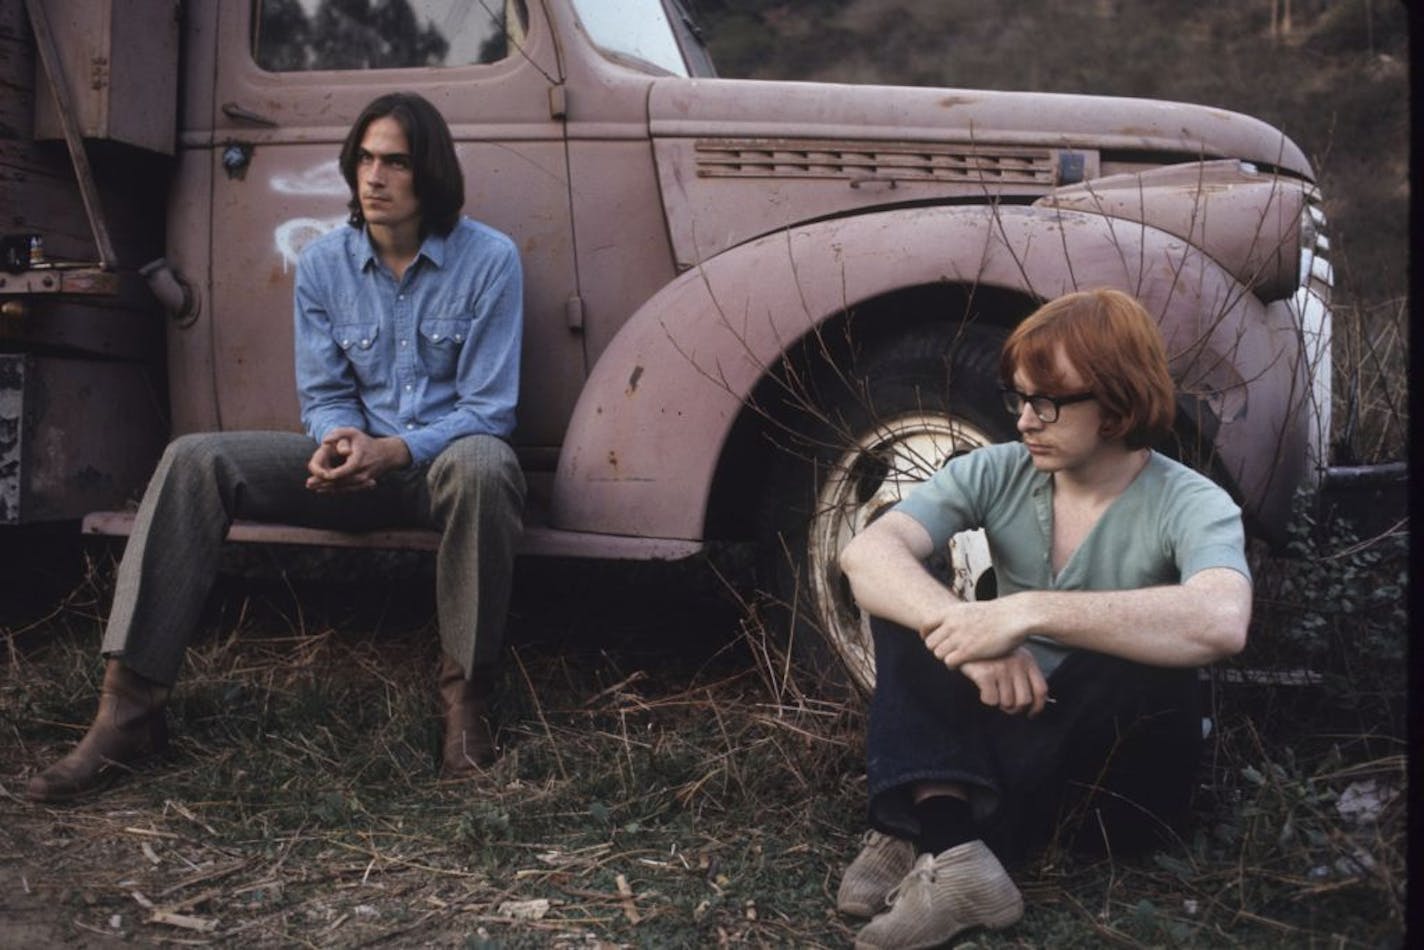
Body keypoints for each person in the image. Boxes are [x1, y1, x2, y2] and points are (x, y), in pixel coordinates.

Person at [27, 92, 526, 802]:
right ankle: (127, 714)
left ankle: (465, 711)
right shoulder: (324, 265)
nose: (373, 177)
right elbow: (322, 396)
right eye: (363, 159)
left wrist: (394, 451)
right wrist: (338, 441)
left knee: (485, 464)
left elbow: (489, 410)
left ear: (432, 175)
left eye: (395, 162)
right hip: (349, 468)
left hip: (434, 470)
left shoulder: (491, 260)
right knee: (195, 458)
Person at [834, 288, 1252, 948]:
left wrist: (1023, 613)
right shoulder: (1001, 471)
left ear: (1115, 406)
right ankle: (953, 845)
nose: (1027, 420)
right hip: (1011, 721)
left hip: (1118, 778)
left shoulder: (1193, 502)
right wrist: (972, 640)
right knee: (908, 594)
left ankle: (917, 820)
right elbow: (866, 555)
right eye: (1020, 399)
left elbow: (1222, 620)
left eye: (1048, 402)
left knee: (1133, 657)